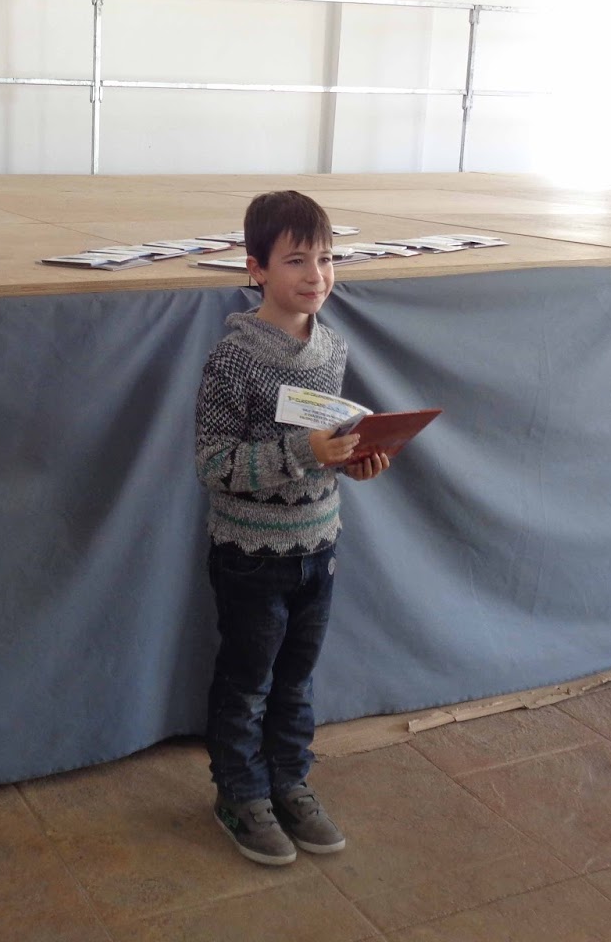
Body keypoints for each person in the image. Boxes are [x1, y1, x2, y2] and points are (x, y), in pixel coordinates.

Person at [193, 190, 390, 866]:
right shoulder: (233, 359)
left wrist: (354, 461)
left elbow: (326, 445)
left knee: (296, 681)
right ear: (255, 269)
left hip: (319, 544)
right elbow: (214, 463)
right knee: (247, 683)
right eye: (297, 260)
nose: (316, 275)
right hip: (249, 555)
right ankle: (240, 795)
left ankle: (289, 784)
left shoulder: (332, 348)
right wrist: (305, 452)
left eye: (327, 258)